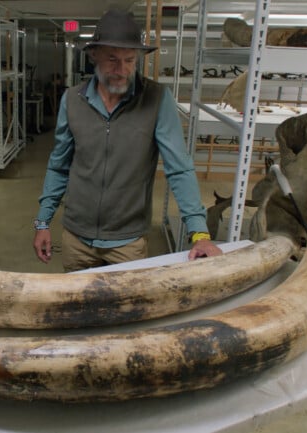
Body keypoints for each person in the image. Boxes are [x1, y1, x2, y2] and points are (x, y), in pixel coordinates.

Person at [32, 10, 221, 272]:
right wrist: (43, 222)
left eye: (129, 60)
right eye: (112, 59)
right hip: (76, 238)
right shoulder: (72, 100)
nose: (121, 70)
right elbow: (59, 166)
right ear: (93, 55)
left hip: (128, 243)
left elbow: (179, 167)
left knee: (128, 311)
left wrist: (199, 233)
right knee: (78, 308)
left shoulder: (156, 99)